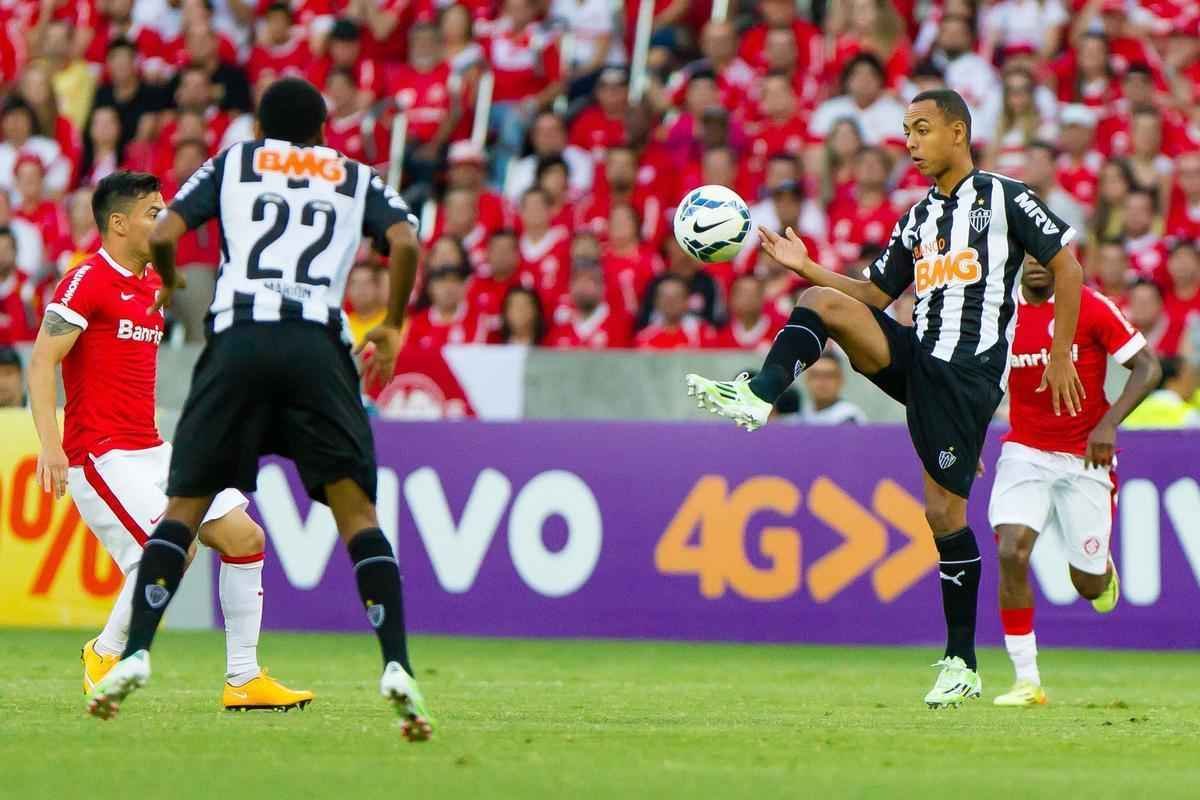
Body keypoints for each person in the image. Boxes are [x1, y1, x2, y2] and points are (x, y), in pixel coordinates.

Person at [687, 89, 1087, 707]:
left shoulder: (1005, 197)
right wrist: (806, 266)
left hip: (965, 377)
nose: (911, 142)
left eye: (922, 128)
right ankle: (760, 394)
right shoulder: (919, 217)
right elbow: (874, 294)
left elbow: (1067, 267)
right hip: (919, 356)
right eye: (906, 130)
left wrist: (1059, 352)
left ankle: (962, 662)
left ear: (958, 132)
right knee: (821, 304)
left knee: (943, 515)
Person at [77, 78, 434, 739]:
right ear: (322, 129)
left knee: (185, 508)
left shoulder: (237, 161)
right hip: (316, 347)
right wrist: (391, 322)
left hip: (238, 340)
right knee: (357, 514)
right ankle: (397, 665)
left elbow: (168, 230)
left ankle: (136, 653)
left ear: (262, 128)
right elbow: (407, 241)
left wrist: (172, 282)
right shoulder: (352, 174)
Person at [28, 172, 313, 711]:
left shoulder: (154, 283)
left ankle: (244, 679)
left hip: (153, 448)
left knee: (244, 537)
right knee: (169, 550)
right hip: (102, 453)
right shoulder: (86, 280)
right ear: (119, 223)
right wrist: (51, 444)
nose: (165, 221)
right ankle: (105, 654)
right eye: (154, 213)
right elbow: (43, 361)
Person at [988, 257, 1160, 706]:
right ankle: (1027, 680)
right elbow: (974, 381)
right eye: (1027, 254)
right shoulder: (999, 311)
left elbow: (1148, 367)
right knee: (1010, 551)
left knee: (1088, 586)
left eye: (1045, 254)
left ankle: (1102, 573)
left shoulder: (1089, 305)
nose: (1036, 263)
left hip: (1085, 457)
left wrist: (1109, 424)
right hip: (1024, 450)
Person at [1122, 356, 1200, 428]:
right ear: (1172, 381)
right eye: (1191, 376)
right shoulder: (1189, 416)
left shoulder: (1130, 412)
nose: (1195, 383)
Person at [798, 353, 867, 424]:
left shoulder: (849, 416)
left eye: (829, 375)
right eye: (815, 375)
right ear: (806, 379)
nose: (822, 382)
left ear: (841, 380)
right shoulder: (798, 414)